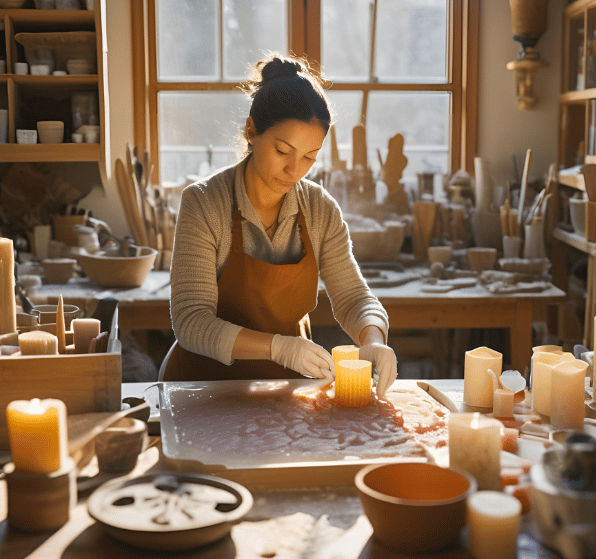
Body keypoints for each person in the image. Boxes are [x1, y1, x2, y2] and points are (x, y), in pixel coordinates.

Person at [166, 53, 397, 397]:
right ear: (251, 131)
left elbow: (353, 297)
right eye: (282, 150)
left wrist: (374, 338)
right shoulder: (204, 202)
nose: (294, 170)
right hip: (204, 389)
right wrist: (281, 348)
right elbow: (191, 322)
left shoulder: (320, 210)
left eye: (309, 157)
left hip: (286, 389)